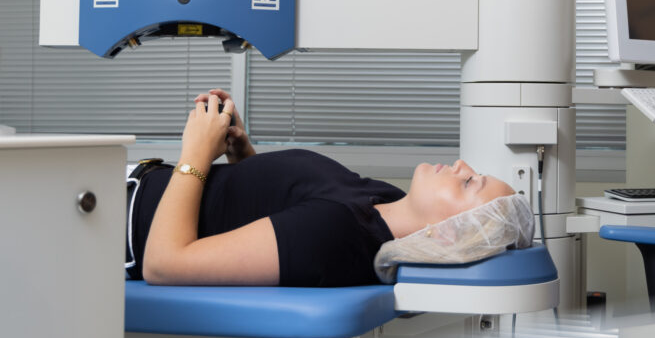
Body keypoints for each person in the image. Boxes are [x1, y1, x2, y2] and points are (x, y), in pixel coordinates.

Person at [127, 89, 530, 287]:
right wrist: (242, 156)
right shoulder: (385, 201)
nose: (462, 166)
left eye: (471, 183)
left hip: (109, 221)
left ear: (445, 235)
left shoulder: (337, 236)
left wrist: (196, 153)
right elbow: (278, 218)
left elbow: (165, 265)